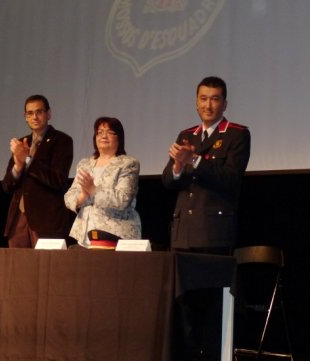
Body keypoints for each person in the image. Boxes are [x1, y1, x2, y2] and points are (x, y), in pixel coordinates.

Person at [162, 76, 251, 360]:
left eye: (214, 99)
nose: (208, 105)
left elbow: (230, 179)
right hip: (183, 232)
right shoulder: (186, 135)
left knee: (211, 309)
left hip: (213, 232)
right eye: (203, 98)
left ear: (224, 103)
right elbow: (168, 181)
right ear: (196, 102)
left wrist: (196, 162)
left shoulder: (237, 134)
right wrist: (177, 167)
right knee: (183, 311)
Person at [2, 94, 74, 248]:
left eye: (39, 112)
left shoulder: (62, 141)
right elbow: (7, 185)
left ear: (49, 114)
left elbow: (57, 180)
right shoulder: (21, 143)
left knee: (47, 269)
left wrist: (27, 159)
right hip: (18, 219)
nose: (34, 117)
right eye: (30, 113)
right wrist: (18, 167)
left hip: (47, 220)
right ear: (25, 117)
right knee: (17, 268)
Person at [64, 117, 141, 249]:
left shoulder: (128, 164)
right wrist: (82, 196)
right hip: (84, 236)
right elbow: (69, 196)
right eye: (99, 132)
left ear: (119, 138)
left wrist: (94, 191)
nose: (103, 136)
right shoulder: (85, 164)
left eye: (110, 132)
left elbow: (123, 200)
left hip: (115, 236)